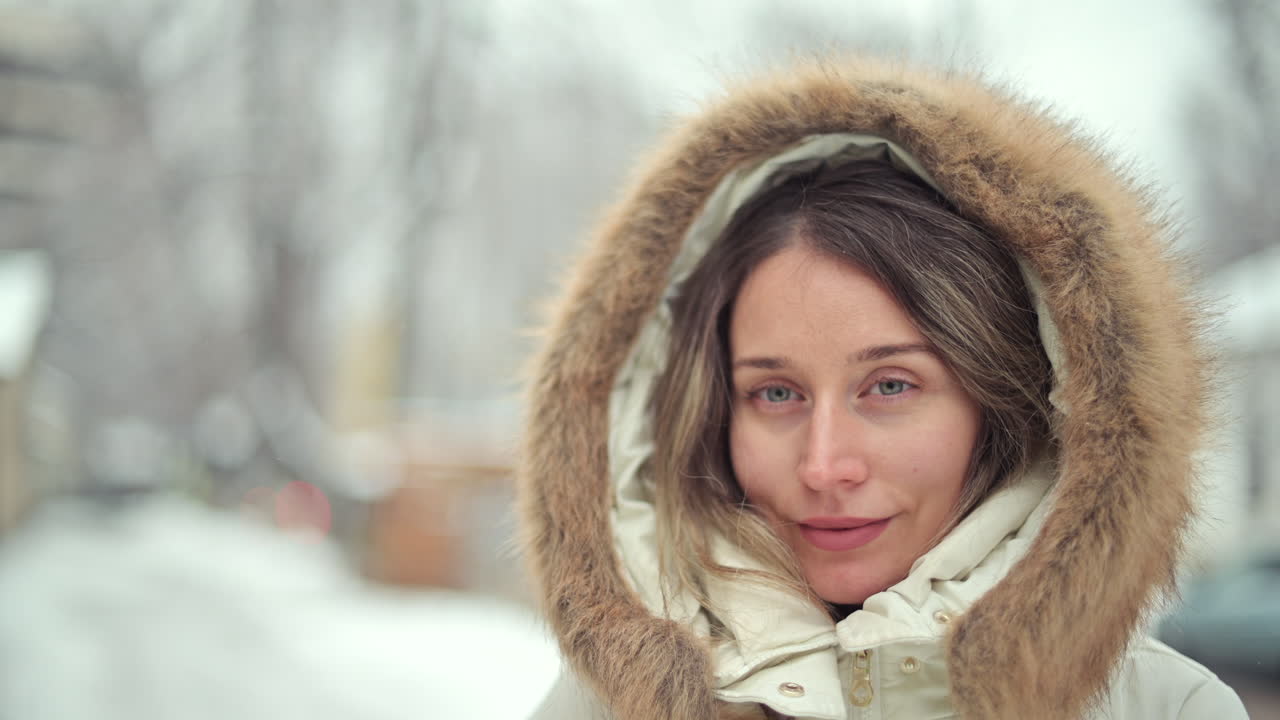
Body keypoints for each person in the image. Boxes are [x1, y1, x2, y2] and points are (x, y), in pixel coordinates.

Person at [517, 58, 1248, 720]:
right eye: (775, 394)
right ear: (709, 412)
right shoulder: (613, 705)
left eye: (889, 385)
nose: (824, 465)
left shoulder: (1166, 708)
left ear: (1001, 403)